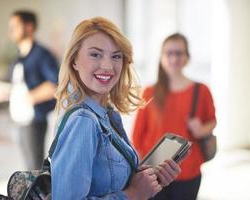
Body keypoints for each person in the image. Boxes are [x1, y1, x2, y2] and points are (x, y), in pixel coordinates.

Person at [51, 17, 182, 200]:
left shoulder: (106, 113)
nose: (107, 66)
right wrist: (132, 194)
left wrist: (146, 180)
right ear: (74, 61)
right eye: (95, 54)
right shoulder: (83, 121)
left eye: (116, 56)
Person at [132, 33, 217, 200]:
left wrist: (201, 129)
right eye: (168, 53)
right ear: (162, 58)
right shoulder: (150, 92)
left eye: (179, 53)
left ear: (187, 57)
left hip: (188, 172)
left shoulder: (201, 91)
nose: (173, 58)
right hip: (154, 173)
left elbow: (212, 121)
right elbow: (137, 135)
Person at [7, 10, 59, 170]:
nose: (11, 31)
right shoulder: (19, 56)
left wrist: (28, 97)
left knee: (34, 168)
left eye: (15, 26)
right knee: (27, 166)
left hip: (34, 120)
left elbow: (55, 84)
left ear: (29, 27)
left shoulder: (42, 55)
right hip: (19, 119)